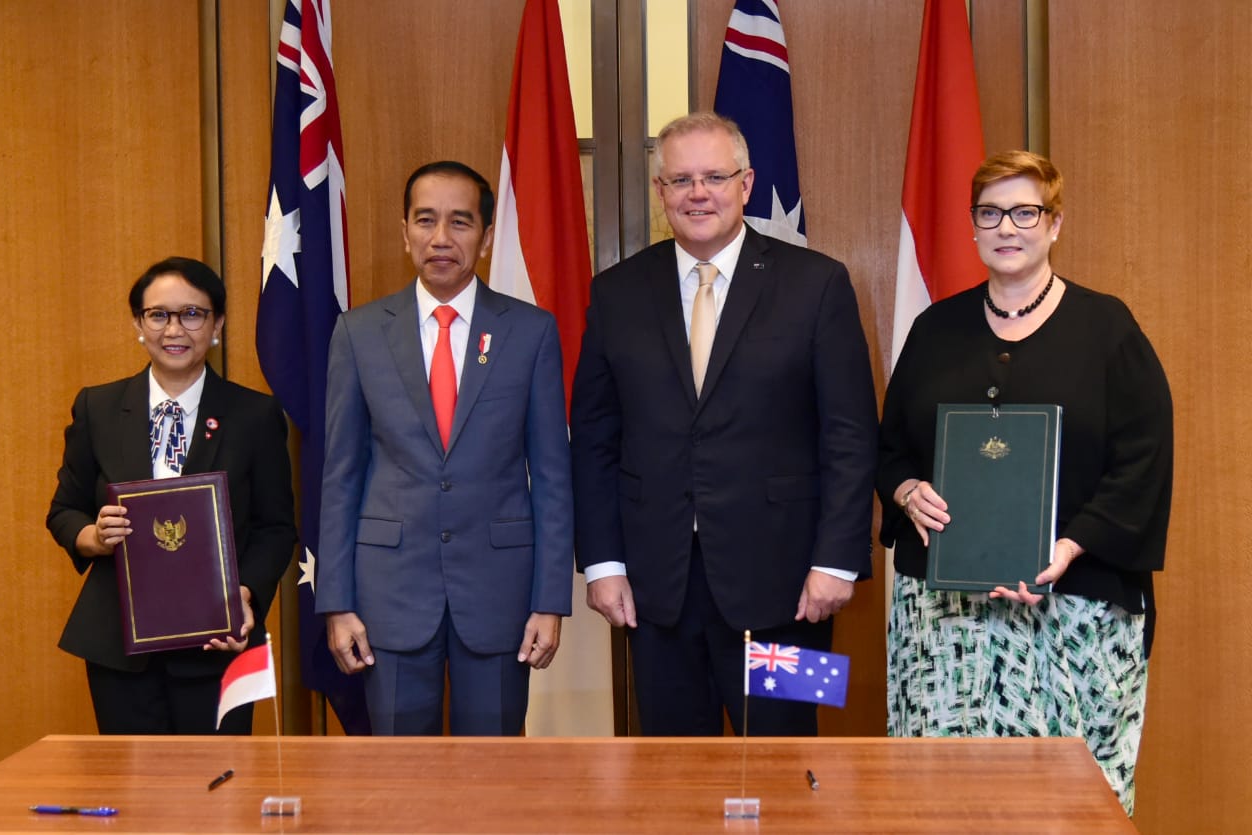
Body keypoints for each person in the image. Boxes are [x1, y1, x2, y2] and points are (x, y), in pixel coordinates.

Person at [878, 150, 1172, 815]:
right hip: (945, 622)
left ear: (1054, 224)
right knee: (944, 802)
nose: (1006, 227)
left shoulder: (1108, 330)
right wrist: (902, 491)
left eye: (1024, 211)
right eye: (990, 213)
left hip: (1076, 611)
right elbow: (889, 447)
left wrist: (1068, 547)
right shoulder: (934, 330)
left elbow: (1143, 461)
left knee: (1067, 809)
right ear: (973, 227)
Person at [570, 112, 878, 736]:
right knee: (671, 769)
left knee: (789, 756)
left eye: (715, 176)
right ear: (661, 193)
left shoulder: (817, 284)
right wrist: (602, 565)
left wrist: (837, 562)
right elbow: (594, 441)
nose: (698, 192)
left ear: (746, 183)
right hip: (656, 594)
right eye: (680, 179)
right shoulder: (616, 293)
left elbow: (849, 434)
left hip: (791, 591)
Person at [315, 161, 573, 736]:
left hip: (500, 595)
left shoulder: (530, 332)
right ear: (403, 230)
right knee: (402, 782)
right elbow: (341, 476)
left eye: (460, 222)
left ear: (484, 238)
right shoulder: (358, 333)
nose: (441, 238)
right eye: (425, 220)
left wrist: (550, 601)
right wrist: (337, 602)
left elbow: (553, 475)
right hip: (389, 593)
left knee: (497, 778)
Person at [47, 256, 297, 734]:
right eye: (158, 314)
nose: (173, 329)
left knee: (216, 793)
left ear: (217, 323)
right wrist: (91, 538)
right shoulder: (97, 408)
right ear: (138, 324)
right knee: (134, 794)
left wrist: (243, 596)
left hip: (217, 642)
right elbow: (64, 510)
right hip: (118, 646)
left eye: (192, 313)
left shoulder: (256, 415)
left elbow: (275, 528)